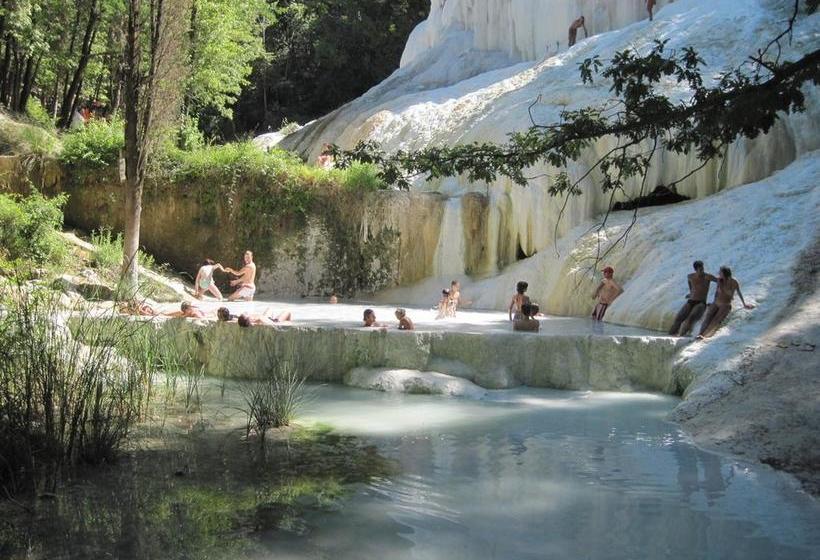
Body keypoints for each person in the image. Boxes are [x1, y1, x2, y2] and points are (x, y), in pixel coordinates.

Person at [697, 266, 754, 339]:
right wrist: (713, 302)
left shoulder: (733, 281)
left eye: (720, 272)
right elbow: (716, 293)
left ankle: (704, 335)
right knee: (708, 317)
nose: (719, 273)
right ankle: (699, 334)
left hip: (725, 304)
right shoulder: (720, 280)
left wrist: (744, 304)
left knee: (716, 319)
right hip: (716, 302)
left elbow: (737, 292)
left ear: (725, 273)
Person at [669, 261, 716, 336]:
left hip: (701, 302)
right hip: (691, 301)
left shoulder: (708, 277)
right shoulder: (690, 276)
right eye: (700, 270)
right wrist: (691, 293)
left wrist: (718, 298)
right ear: (695, 270)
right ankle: (670, 335)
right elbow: (690, 285)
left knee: (691, 318)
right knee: (679, 317)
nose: (702, 271)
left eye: (702, 269)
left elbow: (720, 282)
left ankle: (680, 336)